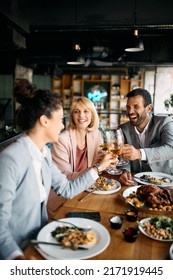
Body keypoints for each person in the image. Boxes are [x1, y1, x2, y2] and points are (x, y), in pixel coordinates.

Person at [0, 79, 117, 260]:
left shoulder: (43, 154)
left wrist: (99, 167)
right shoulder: (11, 159)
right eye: (60, 119)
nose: (63, 126)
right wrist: (17, 259)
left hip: (42, 242)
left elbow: (66, 189)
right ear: (44, 121)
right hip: (19, 253)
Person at [118, 88, 173, 186]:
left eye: (136, 106)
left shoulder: (165, 122)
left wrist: (139, 154)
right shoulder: (123, 129)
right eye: (128, 107)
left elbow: (171, 149)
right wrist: (124, 171)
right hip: (135, 181)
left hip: (164, 181)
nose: (130, 112)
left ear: (148, 108)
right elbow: (123, 158)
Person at [52, 96, 102, 180]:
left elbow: (101, 165)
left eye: (86, 111)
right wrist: (97, 168)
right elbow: (65, 178)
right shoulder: (62, 139)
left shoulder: (97, 135)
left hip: (92, 187)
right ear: (72, 116)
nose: (81, 115)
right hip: (71, 190)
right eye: (76, 112)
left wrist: (109, 164)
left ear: (92, 116)